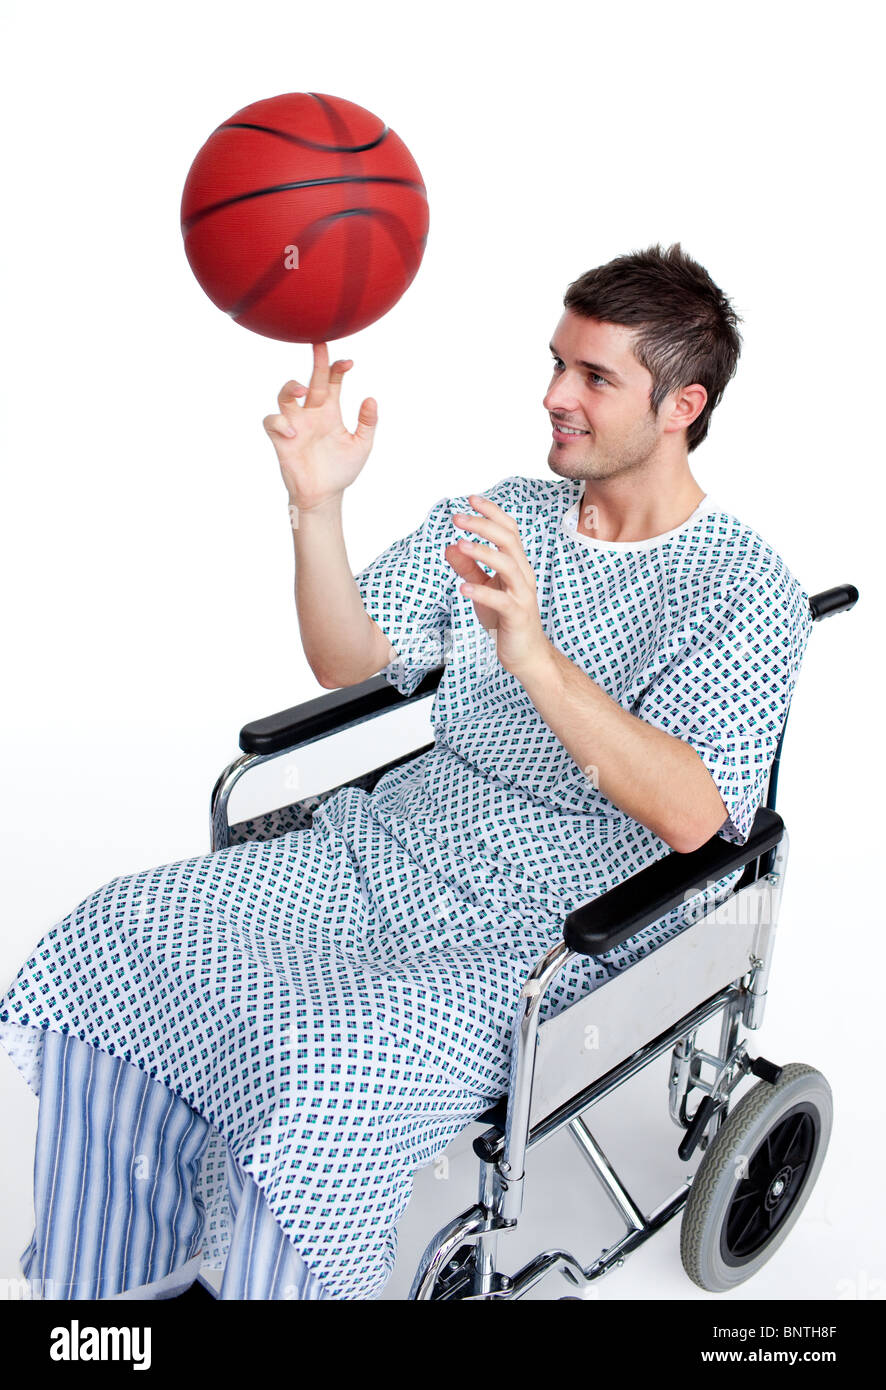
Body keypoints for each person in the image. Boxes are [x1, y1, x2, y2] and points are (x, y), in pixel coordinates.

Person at [0, 242, 813, 1301]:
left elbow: (697, 816)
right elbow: (351, 665)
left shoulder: (740, 587)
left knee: (327, 1068)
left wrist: (530, 651)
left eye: (594, 377)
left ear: (681, 405)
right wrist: (316, 505)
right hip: (388, 847)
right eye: (556, 363)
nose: (553, 395)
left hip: (552, 926)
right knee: (121, 931)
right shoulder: (503, 514)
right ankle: (117, 1285)